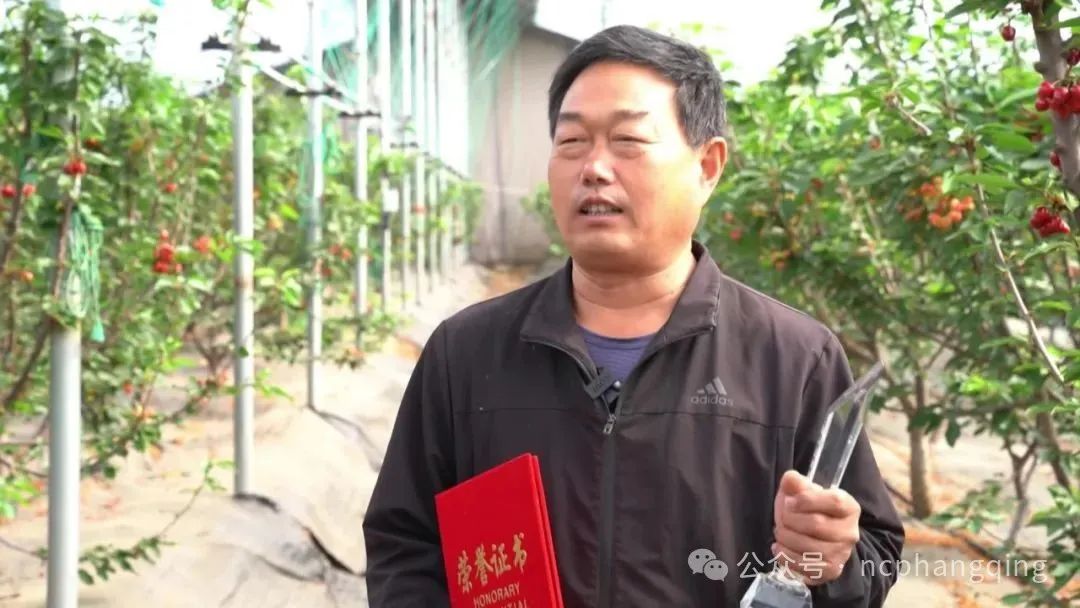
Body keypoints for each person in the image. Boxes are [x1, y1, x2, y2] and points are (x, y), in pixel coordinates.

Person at [362, 24, 905, 607]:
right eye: (572, 141)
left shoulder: (794, 358)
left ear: (707, 166)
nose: (593, 168)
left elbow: (874, 555)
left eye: (627, 140)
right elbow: (404, 544)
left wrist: (830, 561)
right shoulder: (467, 352)